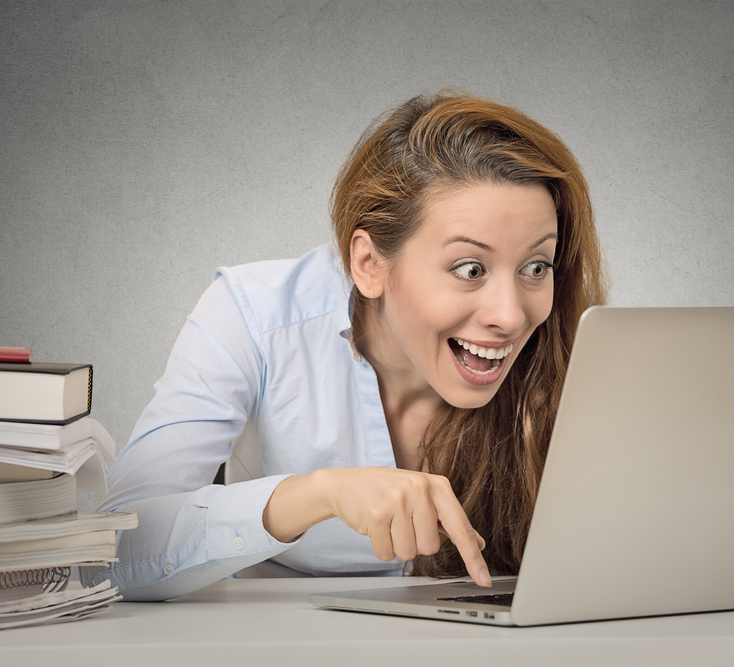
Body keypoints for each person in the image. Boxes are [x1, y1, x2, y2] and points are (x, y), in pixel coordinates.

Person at [90, 90, 608, 601]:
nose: (511, 315)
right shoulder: (254, 317)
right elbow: (111, 553)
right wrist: (318, 494)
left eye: (535, 267)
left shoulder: (568, 345)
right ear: (370, 265)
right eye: (469, 269)